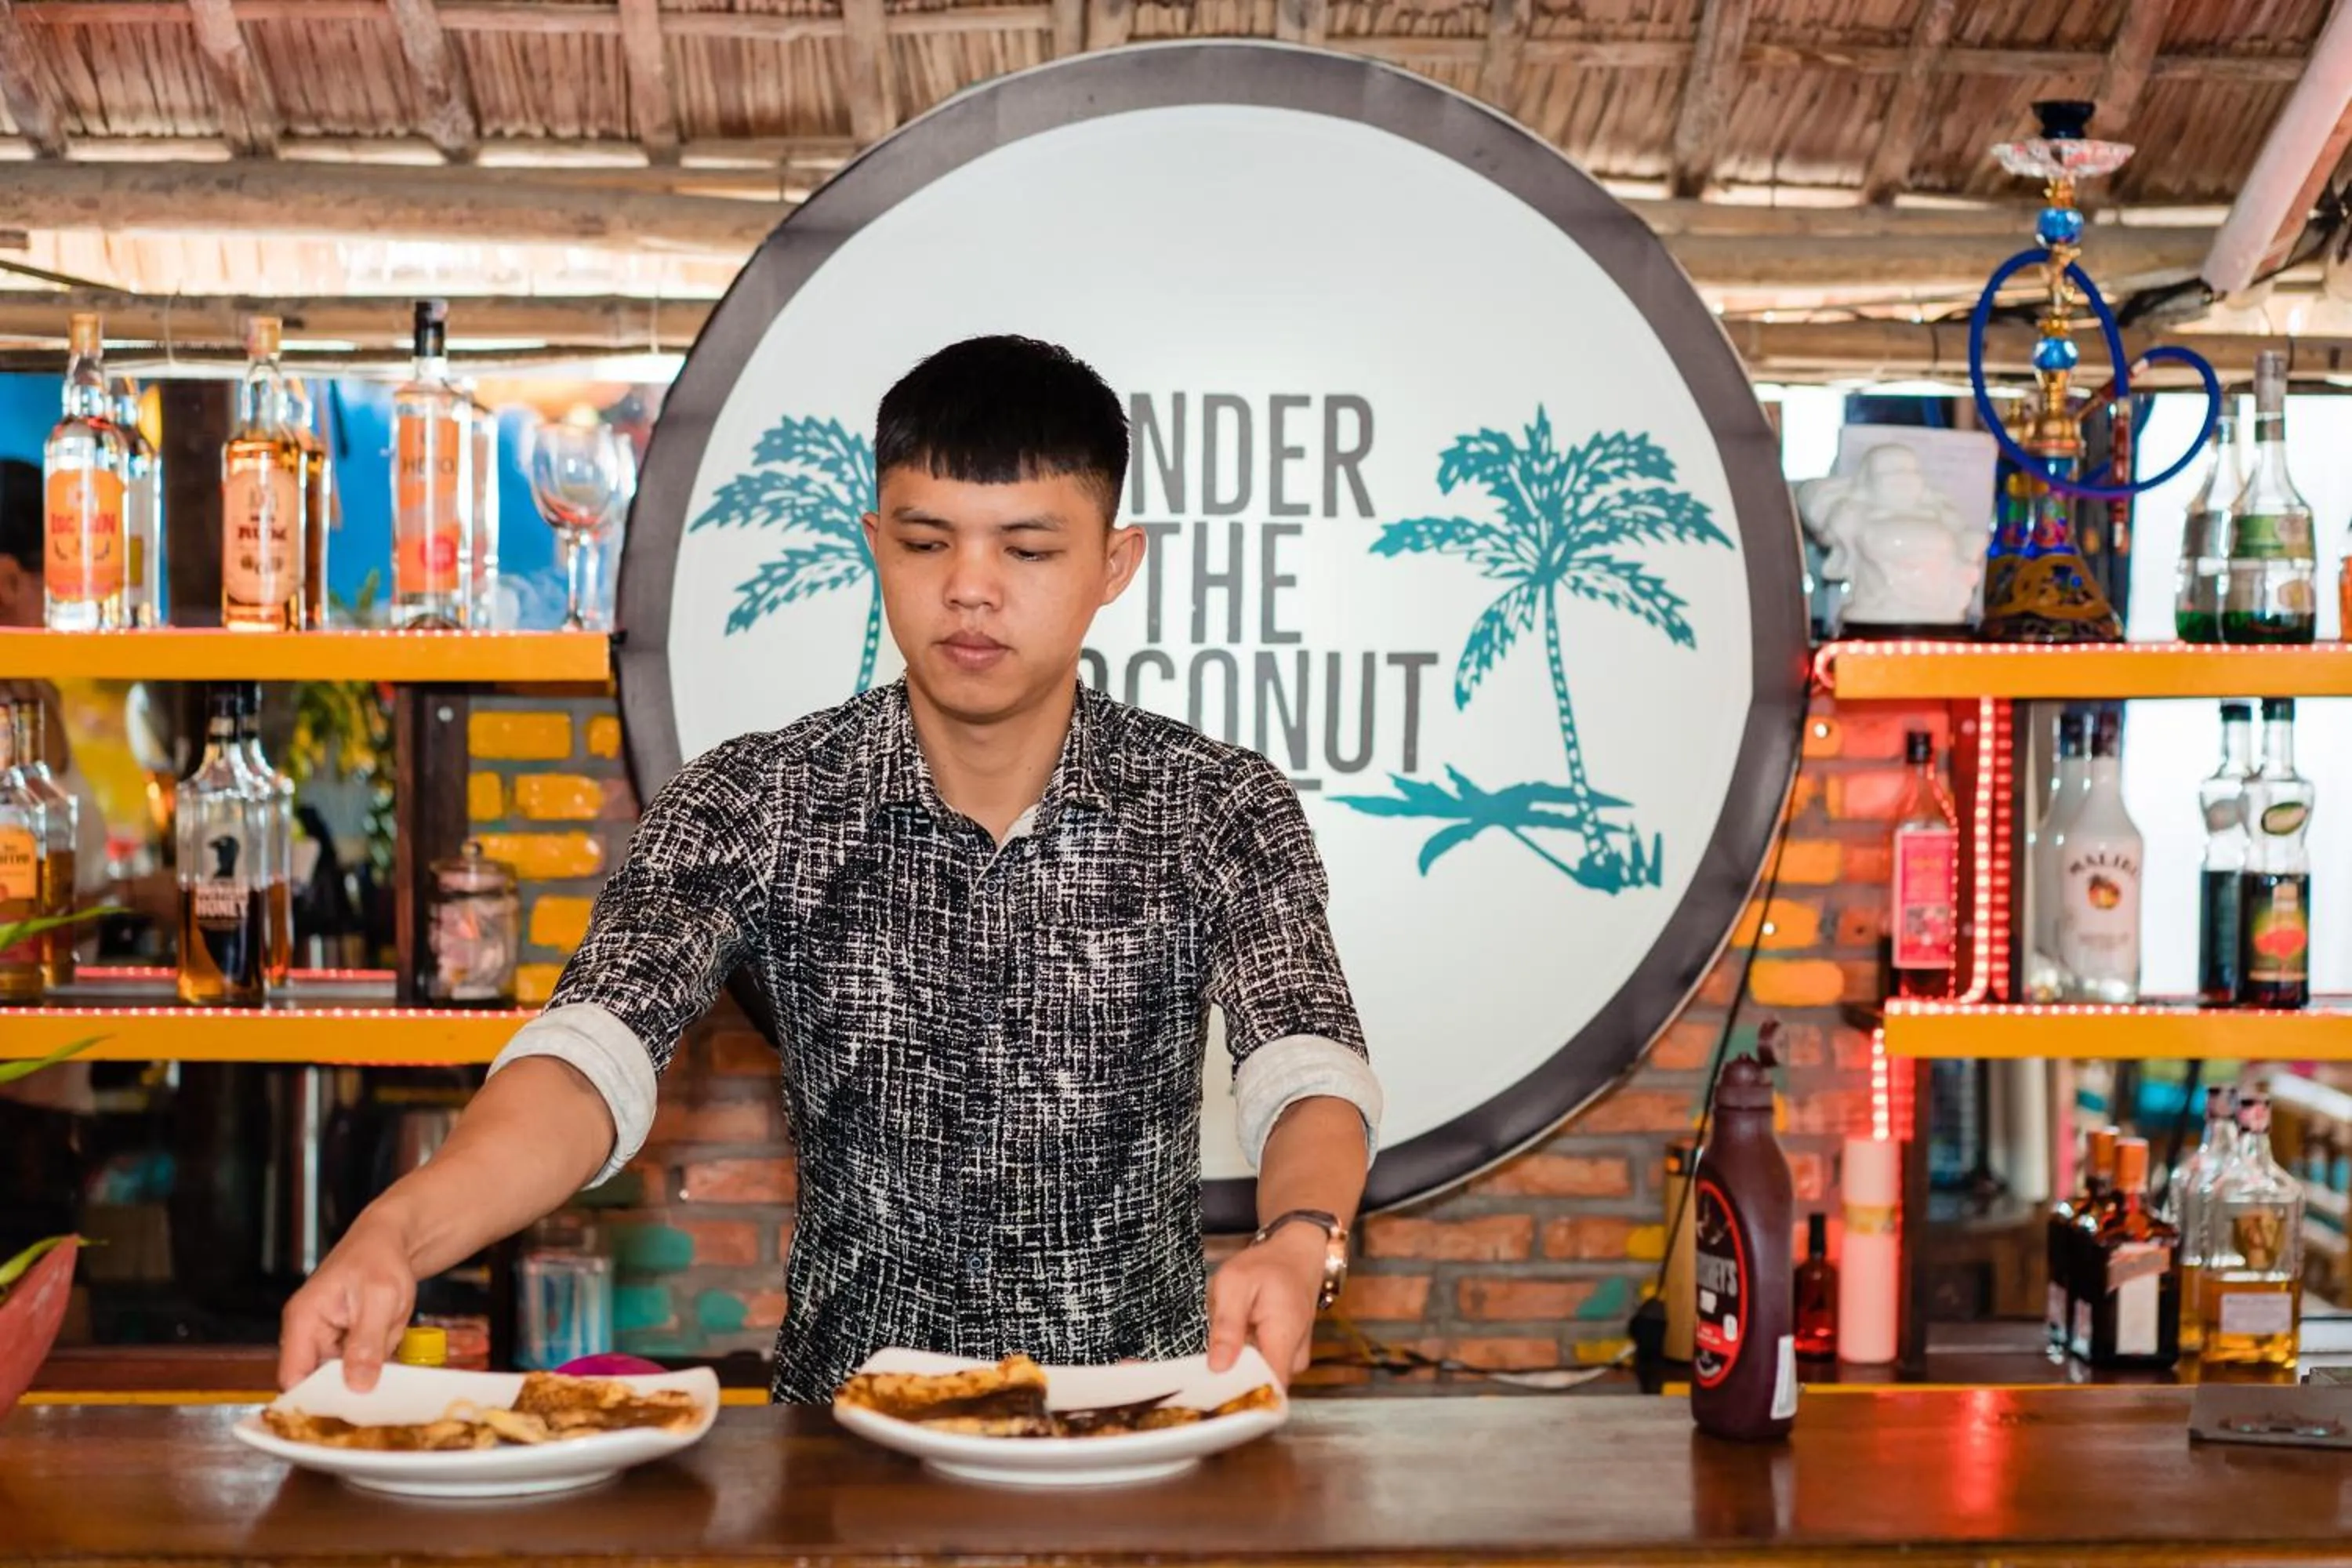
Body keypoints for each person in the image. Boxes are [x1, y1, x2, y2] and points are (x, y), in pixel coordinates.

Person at [281, 337, 1383, 1402]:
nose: (969, 588)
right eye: (925, 541)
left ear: (1113, 563)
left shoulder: (1216, 804)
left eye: (1028, 549)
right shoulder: (757, 798)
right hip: (843, 1453)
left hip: (1134, 1430)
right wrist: (397, 1230)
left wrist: (1298, 1240)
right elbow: (589, 1057)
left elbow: (1306, 1064)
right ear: (873, 544)